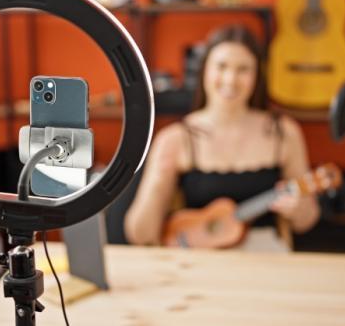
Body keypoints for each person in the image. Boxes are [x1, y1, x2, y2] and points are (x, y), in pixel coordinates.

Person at [124, 25, 320, 248]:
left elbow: (305, 222)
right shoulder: (176, 138)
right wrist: (157, 187)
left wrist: (299, 209)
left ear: (257, 75)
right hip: (199, 255)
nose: (230, 79)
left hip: (264, 253)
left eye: (243, 69)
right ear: (204, 70)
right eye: (221, 66)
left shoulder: (283, 132)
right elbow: (140, 236)